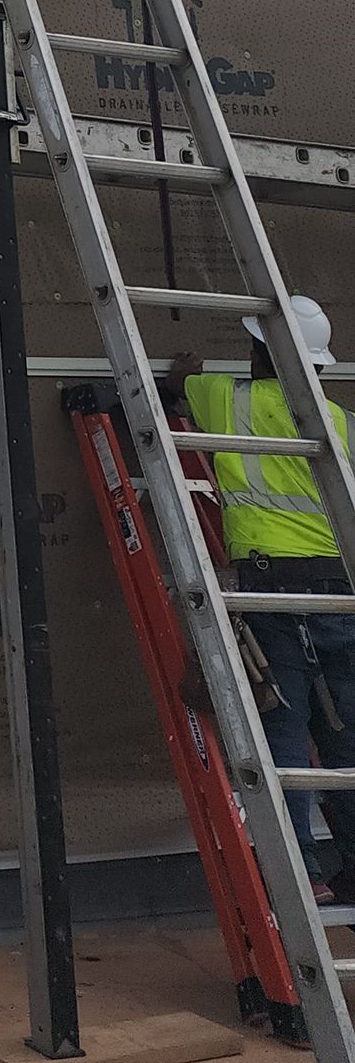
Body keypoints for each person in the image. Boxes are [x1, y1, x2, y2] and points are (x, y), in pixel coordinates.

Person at [183, 297, 355, 904]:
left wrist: (186, 362)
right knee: (345, 737)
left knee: (283, 726)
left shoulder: (224, 401)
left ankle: (299, 871)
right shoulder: (341, 420)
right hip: (343, 591)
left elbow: (179, 381)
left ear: (259, 351)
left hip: (275, 588)